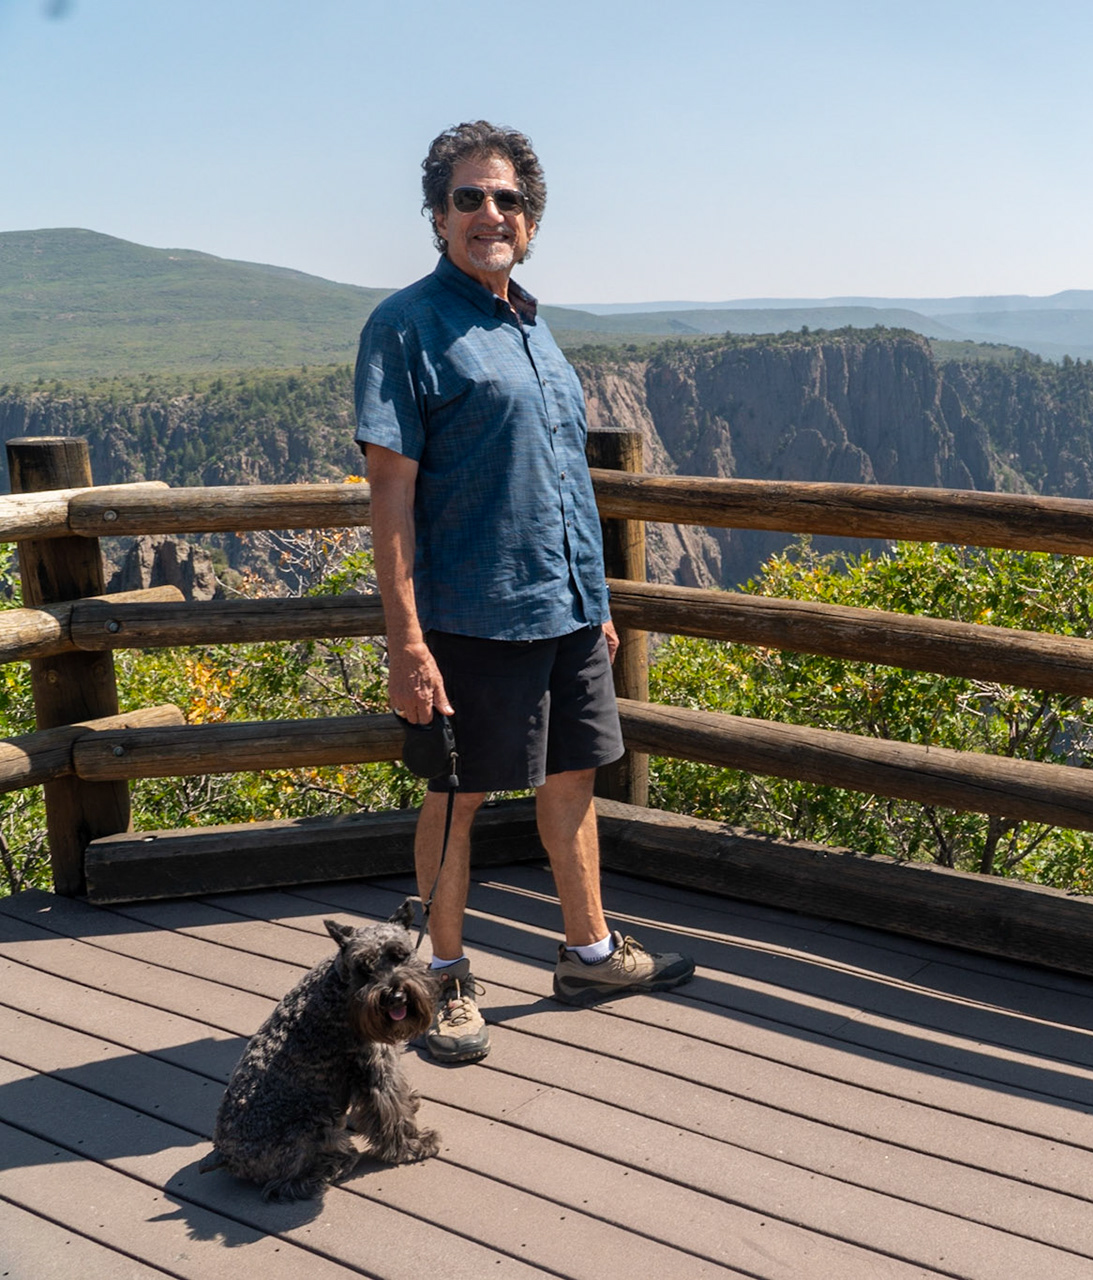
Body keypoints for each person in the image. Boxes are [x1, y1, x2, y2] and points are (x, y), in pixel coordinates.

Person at [354, 120, 693, 1065]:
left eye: (507, 200)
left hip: (569, 608)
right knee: (456, 794)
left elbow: (563, 479)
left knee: (574, 777)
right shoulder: (406, 327)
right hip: (469, 613)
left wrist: (601, 598)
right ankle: (444, 981)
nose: (489, 214)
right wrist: (406, 642)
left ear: (531, 224)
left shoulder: (534, 328)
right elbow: (390, 495)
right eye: (469, 197)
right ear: (436, 215)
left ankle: (587, 950)